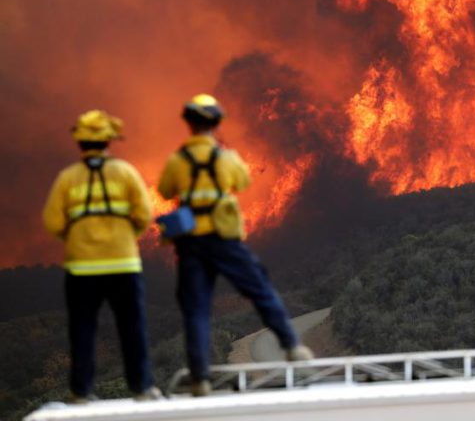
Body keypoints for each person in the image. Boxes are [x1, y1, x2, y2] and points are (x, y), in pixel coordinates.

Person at [157, 94, 313, 397]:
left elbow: (165, 190)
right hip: (224, 239)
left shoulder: (177, 162)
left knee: (197, 310)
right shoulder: (226, 159)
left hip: (191, 245)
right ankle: (293, 348)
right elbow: (241, 183)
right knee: (260, 290)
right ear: (216, 123)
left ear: (189, 124)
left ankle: (200, 376)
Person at [42, 110, 161, 403]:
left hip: (82, 269)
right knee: (132, 327)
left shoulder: (67, 178)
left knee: (83, 330)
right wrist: (124, 237)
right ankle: (142, 389)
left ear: (80, 143)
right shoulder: (125, 172)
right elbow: (145, 215)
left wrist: (75, 239)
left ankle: (81, 393)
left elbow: (52, 221)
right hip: (123, 265)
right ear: (109, 141)